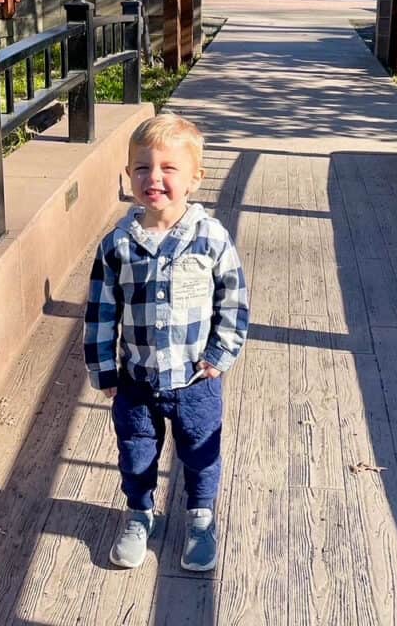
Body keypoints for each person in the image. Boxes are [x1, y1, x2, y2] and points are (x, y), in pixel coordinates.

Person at [84, 113, 249, 572]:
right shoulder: (117, 245)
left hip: (196, 380)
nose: (153, 178)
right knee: (135, 451)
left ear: (195, 178)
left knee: (200, 451)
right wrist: (104, 371)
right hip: (136, 380)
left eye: (168, 169)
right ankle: (140, 513)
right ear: (128, 175)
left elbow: (234, 301)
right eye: (141, 167)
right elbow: (101, 312)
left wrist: (219, 355)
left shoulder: (210, 238)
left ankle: (200, 518)